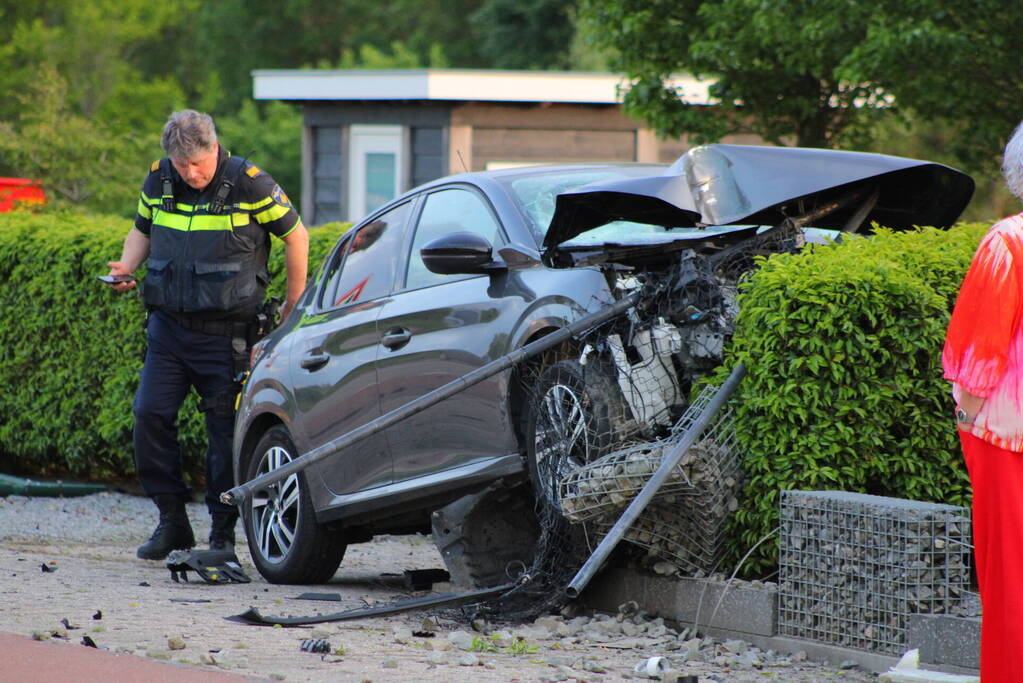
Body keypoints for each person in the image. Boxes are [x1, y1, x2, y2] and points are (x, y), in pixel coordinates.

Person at [107, 110, 309, 560]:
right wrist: (127, 267)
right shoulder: (159, 179)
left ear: (214, 148)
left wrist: (294, 304)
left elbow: (297, 236)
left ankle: (222, 536)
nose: (191, 174)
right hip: (168, 330)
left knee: (223, 436)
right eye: (182, 166)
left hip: (229, 337)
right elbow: (141, 230)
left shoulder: (251, 183)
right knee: (150, 416)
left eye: (197, 164)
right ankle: (172, 522)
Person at [942, 119, 1023, 681]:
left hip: (1007, 429)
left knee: (1010, 571)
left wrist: (965, 414)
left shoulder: (1008, 242)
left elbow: (980, 348)